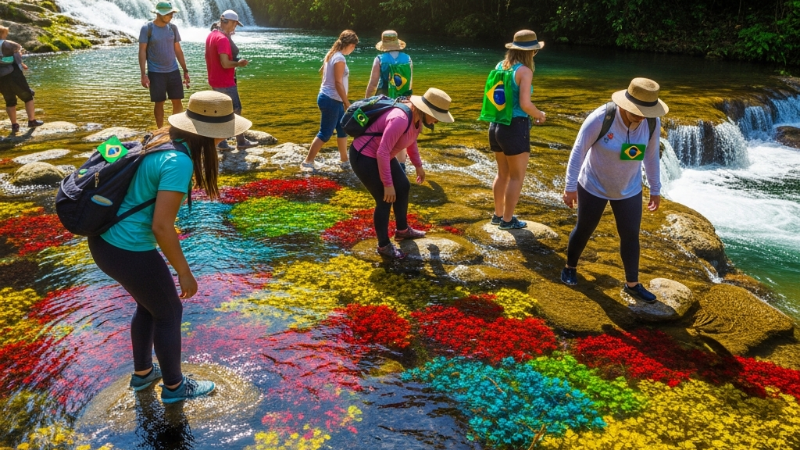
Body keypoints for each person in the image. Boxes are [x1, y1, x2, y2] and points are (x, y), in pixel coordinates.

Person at [87, 91, 252, 402]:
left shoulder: (163, 139)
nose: (222, 141)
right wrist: (184, 273)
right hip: (127, 247)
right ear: (207, 134)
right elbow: (161, 227)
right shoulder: (178, 161)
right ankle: (175, 388)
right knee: (170, 312)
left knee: (150, 306)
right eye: (221, 135)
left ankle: (143, 374)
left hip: (105, 240)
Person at [561, 78, 668, 304]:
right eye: (636, 112)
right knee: (584, 229)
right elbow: (578, 151)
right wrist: (570, 187)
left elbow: (650, 156)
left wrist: (655, 189)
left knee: (630, 235)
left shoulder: (651, 122)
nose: (641, 116)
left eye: (645, 112)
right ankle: (570, 267)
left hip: (629, 188)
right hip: (593, 184)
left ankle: (632, 284)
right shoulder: (601, 118)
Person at [349, 88, 454, 259]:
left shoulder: (417, 119)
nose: (437, 121)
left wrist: (418, 165)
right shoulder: (400, 118)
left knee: (403, 186)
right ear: (427, 110)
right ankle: (383, 246)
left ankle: (402, 230)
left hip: (382, 155)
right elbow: (382, 152)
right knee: (385, 198)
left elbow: (410, 141)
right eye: (436, 116)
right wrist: (388, 184)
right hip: (365, 156)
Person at [481, 29, 546, 231]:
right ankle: (508, 221)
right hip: (515, 127)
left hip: (495, 126)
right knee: (517, 177)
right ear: (531, 52)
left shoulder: (500, 66)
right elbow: (525, 104)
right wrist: (539, 114)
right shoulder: (525, 71)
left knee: (502, 174)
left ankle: (497, 215)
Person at [301, 30, 359, 171]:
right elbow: (338, 83)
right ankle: (307, 162)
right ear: (350, 45)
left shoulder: (331, 53)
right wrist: (347, 102)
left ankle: (344, 160)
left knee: (342, 129)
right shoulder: (339, 58)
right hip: (331, 99)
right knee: (325, 133)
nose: (354, 49)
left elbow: (324, 73)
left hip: (331, 98)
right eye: (354, 46)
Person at [205, 9, 256, 150]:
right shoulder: (222, 39)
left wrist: (229, 36)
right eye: (234, 24)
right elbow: (225, 63)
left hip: (214, 79)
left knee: (222, 111)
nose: (235, 27)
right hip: (225, 81)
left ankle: (229, 141)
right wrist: (239, 63)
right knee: (236, 109)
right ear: (228, 22)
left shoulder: (212, 35)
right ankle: (235, 141)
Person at [365, 30, 413, 171]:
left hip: (384, 101)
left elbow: (373, 83)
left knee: (384, 132)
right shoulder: (408, 59)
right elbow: (409, 84)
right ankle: (401, 166)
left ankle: (383, 163)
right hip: (403, 101)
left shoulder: (380, 59)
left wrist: (366, 100)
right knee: (401, 132)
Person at [138, 1, 190, 129]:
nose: (171, 16)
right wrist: (143, 74)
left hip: (173, 70)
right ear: (158, 14)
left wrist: (185, 70)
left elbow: (178, 50)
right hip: (155, 73)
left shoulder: (173, 28)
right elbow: (142, 51)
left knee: (177, 100)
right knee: (159, 102)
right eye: (168, 14)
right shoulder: (147, 28)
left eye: (172, 13)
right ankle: (160, 130)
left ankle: (176, 129)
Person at [0, 25, 43, 133]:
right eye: (5, 33)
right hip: (14, 75)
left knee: (9, 101)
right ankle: (32, 121)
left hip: (1, 78)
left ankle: (14, 125)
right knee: (28, 96)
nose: (6, 35)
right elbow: (17, 47)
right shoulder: (5, 44)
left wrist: (21, 63)